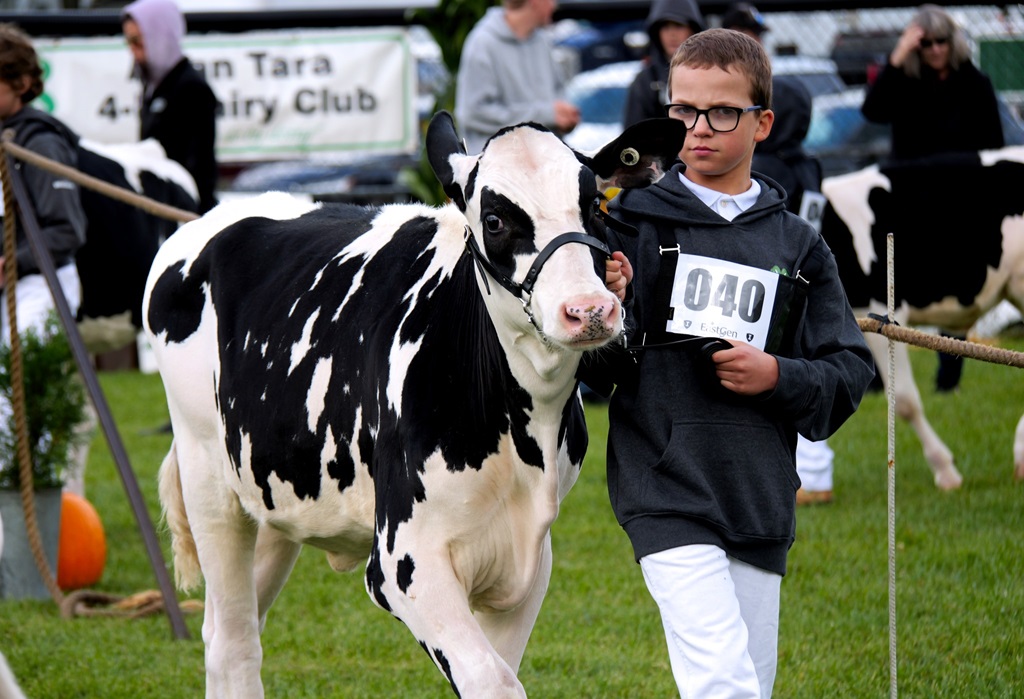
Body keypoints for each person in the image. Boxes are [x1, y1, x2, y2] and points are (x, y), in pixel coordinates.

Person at [587, 29, 875, 697]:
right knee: (723, 680)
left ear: (762, 123)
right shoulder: (629, 225)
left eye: (721, 112)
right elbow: (596, 373)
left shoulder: (799, 244)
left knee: (749, 681)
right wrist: (610, 311)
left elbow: (848, 368)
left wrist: (778, 375)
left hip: (758, 497)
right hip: (664, 489)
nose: (697, 129)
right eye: (683, 111)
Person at [722, 4, 835, 505]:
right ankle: (817, 473)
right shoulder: (809, 164)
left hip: (771, 280)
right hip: (806, 274)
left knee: (782, 371)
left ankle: (809, 474)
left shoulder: (769, 172)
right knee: (806, 365)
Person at [861, 4, 1004, 393]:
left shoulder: (973, 83)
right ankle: (878, 375)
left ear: (952, 42)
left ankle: (948, 377)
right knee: (889, 285)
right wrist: (898, 54)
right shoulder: (906, 80)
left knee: (955, 288)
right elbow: (872, 109)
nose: (936, 49)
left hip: (957, 204)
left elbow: (992, 146)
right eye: (926, 44)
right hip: (908, 203)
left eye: (942, 41)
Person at [0, 24, 88, 494]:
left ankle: (39, 506)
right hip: (11, 284)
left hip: (41, 285)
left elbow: (66, 231)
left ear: (19, 82)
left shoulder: (40, 142)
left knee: (22, 400)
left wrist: (10, 261)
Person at [122, 0, 219, 214]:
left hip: (185, 211)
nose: (132, 50)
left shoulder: (191, 88)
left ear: (159, 36)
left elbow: (197, 166)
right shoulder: (154, 87)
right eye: (127, 41)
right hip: (162, 207)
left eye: (137, 41)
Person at [454, 0, 579, 154]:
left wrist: (564, 116)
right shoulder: (482, 44)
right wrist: (546, 116)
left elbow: (558, 91)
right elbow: (473, 114)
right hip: (498, 162)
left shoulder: (542, 40)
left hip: (544, 157)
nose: (554, 5)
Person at [622, 0, 705, 128]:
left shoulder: (711, 74)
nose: (672, 34)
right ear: (656, 32)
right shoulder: (646, 80)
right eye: (665, 27)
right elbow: (633, 132)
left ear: (693, 29)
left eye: (678, 25)